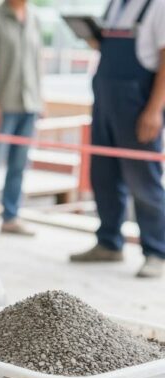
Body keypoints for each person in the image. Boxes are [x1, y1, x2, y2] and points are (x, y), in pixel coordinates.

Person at [71, 0, 165, 278]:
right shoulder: (115, 5)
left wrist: (154, 109)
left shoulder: (157, 5)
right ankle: (109, 242)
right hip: (105, 99)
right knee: (104, 174)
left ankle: (156, 251)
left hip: (137, 103)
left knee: (143, 179)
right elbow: (105, 46)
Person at [0, 0, 42, 239]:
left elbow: (36, 61)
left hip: (28, 105)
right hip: (2, 106)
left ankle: (10, 217)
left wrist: (40, 99)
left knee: (19, 165)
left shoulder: (34, 17)